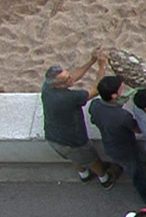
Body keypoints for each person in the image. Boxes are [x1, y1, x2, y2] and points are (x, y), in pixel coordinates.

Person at [41, 48, 119, 187]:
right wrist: (102, 66)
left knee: (75, 158)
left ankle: (84, 175)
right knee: (92, 160)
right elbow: (96, 90)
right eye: (67, 79)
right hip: (74, 140)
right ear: (57, 85)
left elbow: (73, 77)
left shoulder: (47, 88)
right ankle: (105, 179)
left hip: (54, 137)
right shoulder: (69, 97)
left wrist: (91, 61)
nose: (71, 79)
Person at [88, 75, 146, 206]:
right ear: (114, 96)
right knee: (138, 176)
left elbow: (94, 120)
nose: (122, 90)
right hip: (125, 150)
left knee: (132, 167)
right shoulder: (123, 116)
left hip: (110, 145)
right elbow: (138, 129)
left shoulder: (95, 104)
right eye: (120, 89)